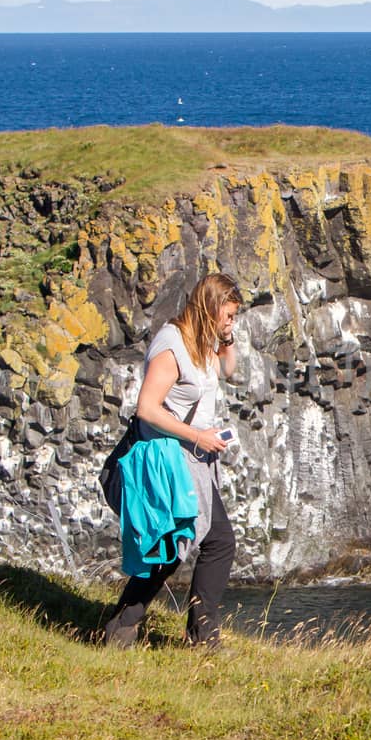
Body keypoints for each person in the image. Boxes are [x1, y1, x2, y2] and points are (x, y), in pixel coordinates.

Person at [103, 272, 243, 648]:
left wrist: (226, 337)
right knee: (194, 544)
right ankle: (196, 636)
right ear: (210, 308)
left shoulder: (202, 341)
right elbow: (146, 408)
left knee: (183, 545)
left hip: (194, 461)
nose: (230, 323)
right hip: (172, 461)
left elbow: (228, 371)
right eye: (227, 316)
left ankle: (128, 628)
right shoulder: (171, 343)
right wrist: (199, 436)